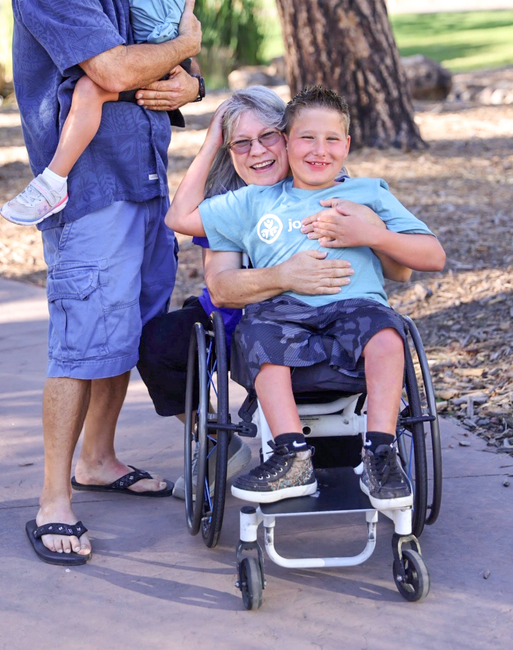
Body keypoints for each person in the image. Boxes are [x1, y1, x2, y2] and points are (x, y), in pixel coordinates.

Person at [11, 0, 202, 565]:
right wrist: (182, 46)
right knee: (79, 343)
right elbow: (116, 68)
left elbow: (163, 63)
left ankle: (99, 458)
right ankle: (53, 501)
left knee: (123, 331)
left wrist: (193, 80)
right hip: (90, 196)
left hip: (144, 182)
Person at [166, 86, 445, 506]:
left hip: (355, 308)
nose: (319, 150)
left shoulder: (367, 193)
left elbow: (433, 256)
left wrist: (371, 234)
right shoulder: (253, 201)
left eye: (332, 139)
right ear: (288, 141)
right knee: (257, 330)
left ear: (347, 145)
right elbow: (178, 218)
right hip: (283, 312)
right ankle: (291, 455)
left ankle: (380, 451)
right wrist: (212, 142)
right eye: (306, 138)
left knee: (388, 332)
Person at [1, 0, 198, 226]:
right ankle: (53, 184)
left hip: (146, 188)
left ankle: (52, 183)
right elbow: (115, 72)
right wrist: (183, 53)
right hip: (96, 203)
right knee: (96, 86)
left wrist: (192, 78)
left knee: (92, 91)